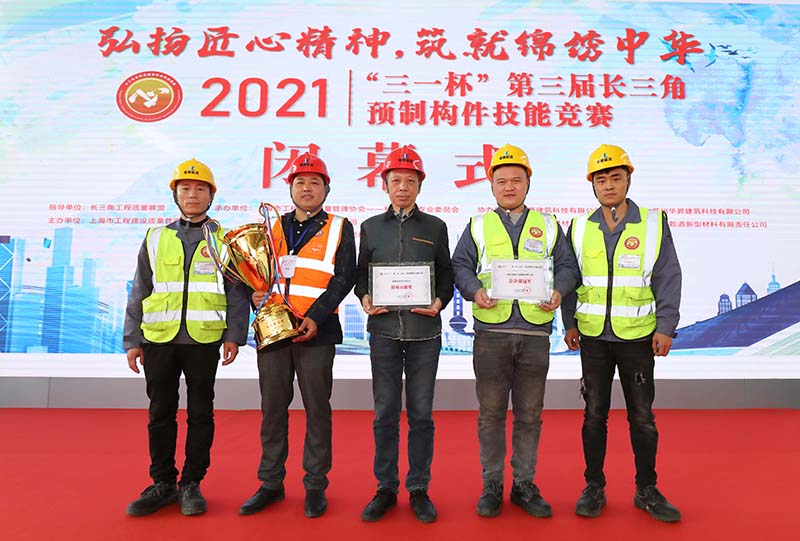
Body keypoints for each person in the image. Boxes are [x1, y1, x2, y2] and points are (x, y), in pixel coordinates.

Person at [452, 144, 580, 518]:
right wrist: (474, 291)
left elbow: (568, 267)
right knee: (491, 414)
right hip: (491, 333)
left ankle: (524, 484)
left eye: (516, 180)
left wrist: (559, 291)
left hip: (535, 334)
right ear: (492, 186)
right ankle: (492, 484)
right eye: (501, 181)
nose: (509, 186)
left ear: (528, 183)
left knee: (530, 415)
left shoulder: (549, 225)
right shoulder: (477, 225)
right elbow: (460, 266)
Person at [561, 144, 682, 522]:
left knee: (642, 417)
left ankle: (647, 489)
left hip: (638, 337)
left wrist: (666, 326)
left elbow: (668, 276)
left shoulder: (653, 223)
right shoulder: (579, 227)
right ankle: (593, 487)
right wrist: (569, 323)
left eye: (616, 177)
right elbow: (570, 277)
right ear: (592, 185)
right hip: (594, 337)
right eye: (601, 180)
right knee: (593, 416)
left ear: (628, 179)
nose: (609, 185)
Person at [124, 158, 249, 516]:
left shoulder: (226, 240)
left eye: (200, 189)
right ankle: (163, 482)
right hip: (158, 339)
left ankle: (192, 483)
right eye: (185, 189)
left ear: (211, 195)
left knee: (200, 414)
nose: (192, 195)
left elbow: (237, 291)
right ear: (175, 195)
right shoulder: (156, 237)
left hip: (204, 340)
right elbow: (140, 289)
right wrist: (133, 339)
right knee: (160, 413)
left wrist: (234, 335)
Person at [239, 152, 356, 519]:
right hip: (273, 331)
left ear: (326, 189)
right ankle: (270, 483)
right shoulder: (270, 227)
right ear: (290, 188)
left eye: (314, 182)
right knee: (272, 409)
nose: (307, 188)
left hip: (315, 332)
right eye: (300, 182)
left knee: (317, 409)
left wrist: (316, 317)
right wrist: (253, 293)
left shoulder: (340, 227)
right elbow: (250, 271)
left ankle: (315, 485)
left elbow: (345, 277)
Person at [355, 145, 453, 523]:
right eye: (395, 180)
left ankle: (418, 487)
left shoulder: (435, 227)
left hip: (424, 333)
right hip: (383, 332)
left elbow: (445, 274)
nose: (402, 187)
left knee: (421, 414)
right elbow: (361, 274)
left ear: (419, 186)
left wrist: (439, 301)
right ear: (385, 184)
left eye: (410, 181)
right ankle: (385, 487)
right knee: (384, 413)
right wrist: (365, 297)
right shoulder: (370, 227)